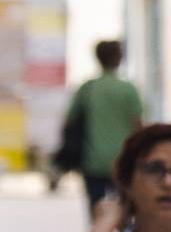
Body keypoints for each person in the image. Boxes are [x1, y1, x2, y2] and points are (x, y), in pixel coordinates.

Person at [60, 36, 143, 211]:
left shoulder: (87, 88)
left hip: (93, 159)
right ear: (119, 58)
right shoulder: (128, 89)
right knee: (124, 209)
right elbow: (138, 125)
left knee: (96, 208)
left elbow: (69, 120)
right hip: (123, 159)